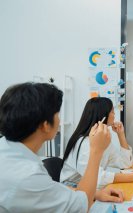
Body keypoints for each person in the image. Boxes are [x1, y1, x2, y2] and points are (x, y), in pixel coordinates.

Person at [0, 83, 123, 212]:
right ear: (45, 125)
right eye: (57, 114)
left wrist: (96, 193)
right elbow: (80, 206)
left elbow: (50, 189)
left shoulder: (8, 151)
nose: (59, 120)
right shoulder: (26, 175)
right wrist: (96, 151)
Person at [61, 97, 133, 188]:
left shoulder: (102, 139)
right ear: (103, 115)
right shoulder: (84, 143)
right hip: (72, 188)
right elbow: (98, 178)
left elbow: (125, 163)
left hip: (90, 187)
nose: (114, 115)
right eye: (112, 111)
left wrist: (121, 135)